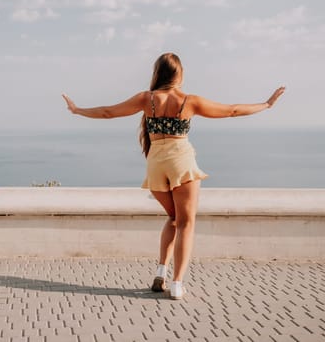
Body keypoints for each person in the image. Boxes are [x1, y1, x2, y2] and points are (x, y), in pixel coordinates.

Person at [62, 52, 285, 300]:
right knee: (186, 223)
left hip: (156, 164)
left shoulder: (146, 99)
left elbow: (107, 112)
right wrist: (266, 105)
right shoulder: (189, 101)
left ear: (157, 73)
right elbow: (232, 111)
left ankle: (161, 271)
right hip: (181, 161)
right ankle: (177, 284)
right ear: (179, 74)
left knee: (173, 219)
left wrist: (77, 109)